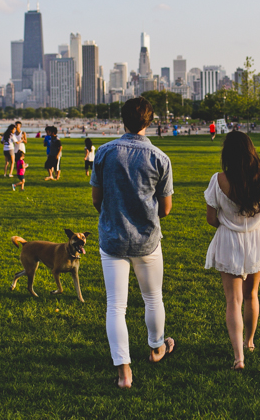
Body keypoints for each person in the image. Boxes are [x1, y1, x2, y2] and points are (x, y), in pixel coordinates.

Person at [90, 97, 175, 389]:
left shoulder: (104, 152)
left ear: (122, 120)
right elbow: (166, 208)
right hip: (147, 239)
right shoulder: (160, 158)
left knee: (116, 306)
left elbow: (97, 200)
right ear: (150, 121)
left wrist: (113, 214)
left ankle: (124, 372)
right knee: (153, 298)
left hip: (112, 237)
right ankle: (157, 348)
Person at [204, 130, 260, 371]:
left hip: (229, 240)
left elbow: (211, 219)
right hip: (256, 239)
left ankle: (239, 358)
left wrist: (230, 227)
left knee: (233, 300)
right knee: (251, 295)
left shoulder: (218, 180)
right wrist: (256, 229)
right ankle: (249, 342)